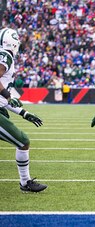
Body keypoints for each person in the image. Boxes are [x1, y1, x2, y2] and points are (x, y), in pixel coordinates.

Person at [0, 28, 47, 192]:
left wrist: (24, 113)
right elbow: (4, 96)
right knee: (23, 141)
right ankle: (25, 182)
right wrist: (7, 93)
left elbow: (4, 101)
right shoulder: (5, 55)